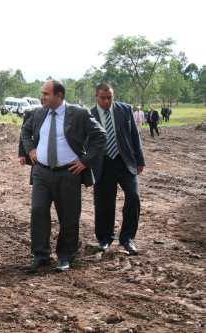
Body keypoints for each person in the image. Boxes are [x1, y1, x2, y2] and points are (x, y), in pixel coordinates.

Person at [21, 80, 105, 272]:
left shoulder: (79, 114)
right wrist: (30, 149)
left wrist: (85, 161)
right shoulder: (38, 113)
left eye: (46, 94)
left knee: (69, 217)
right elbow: (25, 131)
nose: (42, 97)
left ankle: (65, 255)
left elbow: (100, 136)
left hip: (68, 173)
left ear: (59, 96)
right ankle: (41, 255)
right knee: (38, 211)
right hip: (41, 172)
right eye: (42, 93)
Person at [90, 84, 145, 255]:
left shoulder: (125, 110)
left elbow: (135, 136)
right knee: (104, 202)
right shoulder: (89, 115)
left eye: (110, 97)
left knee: (133, 196)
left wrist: (140, 160)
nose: (107, 101)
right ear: (96, 97)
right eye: (103, 98)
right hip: (103, 163)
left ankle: (127, 238)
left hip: (125, 162)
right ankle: (105, 238)